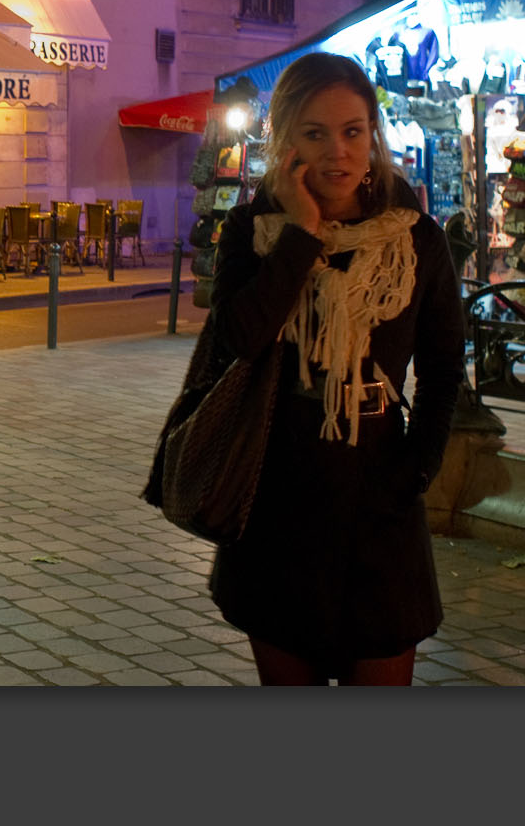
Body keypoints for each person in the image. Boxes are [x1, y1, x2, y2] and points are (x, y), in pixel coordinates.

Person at [190, 52, 463, 686]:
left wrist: (416, 468)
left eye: (352, 131)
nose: (337, 152)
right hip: (277, 487)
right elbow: (239, 340)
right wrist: (302, 233)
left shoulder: (417, 238)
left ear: (373, 136)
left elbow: (446, 368)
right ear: (285, 140)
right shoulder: (251, 232)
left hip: (377, 492)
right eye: (315, 134)